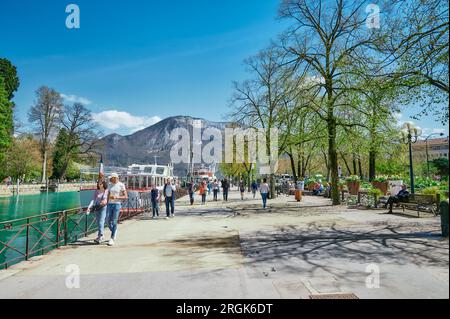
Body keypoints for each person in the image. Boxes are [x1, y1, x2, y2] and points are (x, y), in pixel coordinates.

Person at [106, 173, 127, 246]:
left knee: (114, 221)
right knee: (107, 220)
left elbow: (125, 196)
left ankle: (112, 238)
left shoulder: (121, 185)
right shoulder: (109, 184)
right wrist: (107, 201)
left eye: (111, 178)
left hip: (117, 204)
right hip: (109, 204)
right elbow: (108, 194)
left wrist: (117, 198)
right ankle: (114, 231)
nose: (110, 179)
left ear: (115, 178)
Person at [86, 180, 109, 244]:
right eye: (98, 184)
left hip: (103, 207)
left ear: (103, 184)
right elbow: (93, 199)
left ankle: (101, 235)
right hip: (97, 207)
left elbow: (109, 199)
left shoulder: (107, 191)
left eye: (100, 184)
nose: (99, 185)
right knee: (98, 222)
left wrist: (105, 201)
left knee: (101, 221)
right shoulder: (96, 191)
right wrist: (89, 207)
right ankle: (100, 235)